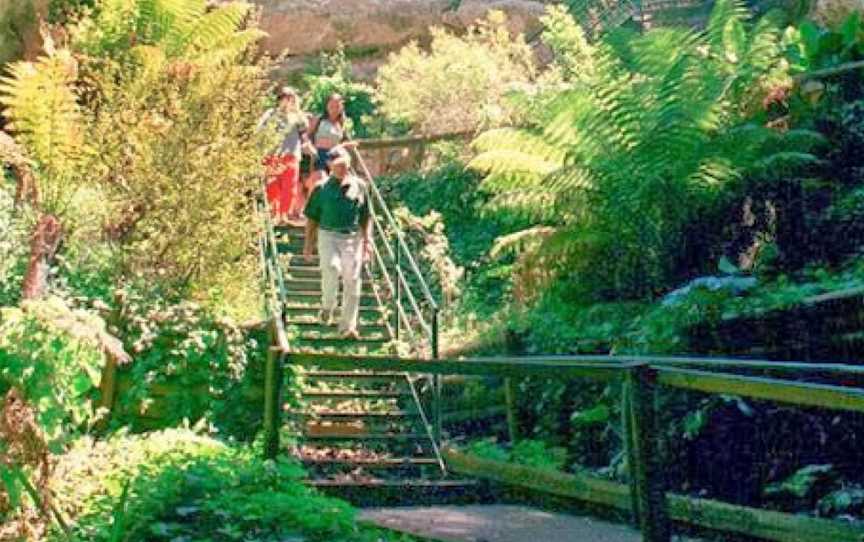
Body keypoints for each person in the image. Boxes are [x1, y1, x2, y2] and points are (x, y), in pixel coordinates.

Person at [303, 147, 371, 340]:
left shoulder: (360, 186)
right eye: (338, 165)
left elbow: (366, 216)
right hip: (327, 235)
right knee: (331, 267)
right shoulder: (320, 188)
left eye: (345, 166)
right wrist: (308, 244)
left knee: (352, 278)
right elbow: (312, 219)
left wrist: (368, 242)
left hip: (352, 236)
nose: (342, 169)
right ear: (330, 166)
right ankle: (328, 306)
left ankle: (347, 327)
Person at [257, 86, 315, 224]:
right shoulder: (271, 113)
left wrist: (309, 146)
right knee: (272, 186)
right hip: (273, 155)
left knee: (289, 187)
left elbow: (304, 133)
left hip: (291, 154)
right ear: (279, 99)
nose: (287, 101)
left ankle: (284, 215)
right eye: (285, 98)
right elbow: (259, 130)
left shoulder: (297, 116)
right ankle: (272, 214)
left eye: (290, 98)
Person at [305, 93, 357, 195]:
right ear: (327, 106)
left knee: (342, 181)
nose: (334, 109)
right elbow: (305, 135)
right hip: (319, 153)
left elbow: (340, 142)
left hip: (335, 155)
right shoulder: (319, 120)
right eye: (331, 106)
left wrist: (347, 145)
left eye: (337, 106)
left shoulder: (341, 123)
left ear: (341, 107)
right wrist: (310, 147)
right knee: (319, 179)